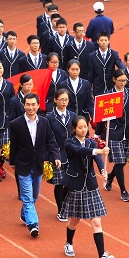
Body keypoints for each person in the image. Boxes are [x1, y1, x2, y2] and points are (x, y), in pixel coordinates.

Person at [62, 115, 114, 258]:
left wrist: (103, 170)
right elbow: (80, 151)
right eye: (80, 127)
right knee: (74, 220)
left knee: (96, 221)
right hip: (76, 185)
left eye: (85, 127)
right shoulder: (69, 143)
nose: (83, 130)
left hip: (91, 185)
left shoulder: (91, 142)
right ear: (74, 129)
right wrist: (98, 151)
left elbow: (97, 159)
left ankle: (102, 255)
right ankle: (69, 242)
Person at [8, 93, 61, 237]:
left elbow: (51, 140)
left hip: (38, 164)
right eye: (28, 104)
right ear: (24, 106)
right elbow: (14, 145)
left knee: (35, 195)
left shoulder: (44, 122)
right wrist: (12, 162)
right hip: (22, 164)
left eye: (33, 104)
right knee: (27, 196)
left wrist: (56, 156)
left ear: (38, 106)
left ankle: (24, 214)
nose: (30, 107)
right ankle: (33, 225)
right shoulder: (15, 124)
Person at [99, 69, 129, 202]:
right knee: (119, 161)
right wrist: (98, 134)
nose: (123, 83)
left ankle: (111, 178)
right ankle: (123, 190)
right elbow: (102, 116)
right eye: (120, 80)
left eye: (124, 80)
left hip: (127, 132)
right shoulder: (108, 95)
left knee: (123, 162)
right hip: (114, 133)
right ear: (114, 80)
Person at [46, 88, 76, 221]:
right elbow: (47, 138)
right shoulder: (49, 117)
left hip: (71, 154)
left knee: (69, 183)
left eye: (66, 100)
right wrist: (48, 156)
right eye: (61, 99)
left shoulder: (73, 115)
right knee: (59, 183)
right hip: (56, 154)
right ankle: (61, 210)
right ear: (55, 100)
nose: (64, 102)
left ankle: (64, 205)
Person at [87, 32, 126, 96]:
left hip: (111, 87)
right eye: (101, 40)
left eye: (105, 40)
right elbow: (91, 73)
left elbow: (119, 63)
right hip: (98, 88)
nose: (103, 42)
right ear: (98, 41)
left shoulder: (113, 53)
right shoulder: (92, 56)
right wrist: (89, 89)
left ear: (108, 41)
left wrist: (124, 71)